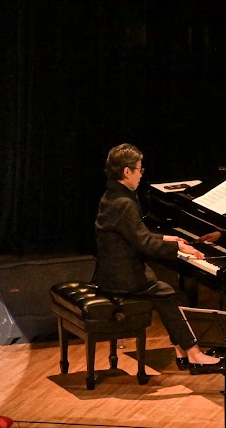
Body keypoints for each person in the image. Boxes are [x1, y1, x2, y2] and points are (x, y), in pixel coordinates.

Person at [93, 144, 218, 370]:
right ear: (127, 172)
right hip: (123, 278)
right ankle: (194, 354)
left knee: (169, 293)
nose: (141, 174)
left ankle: (182, 350)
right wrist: (179, 248)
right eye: (139, 169)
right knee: (172, 296)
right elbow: (145, 244)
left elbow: (134, 234)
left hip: (109, 273)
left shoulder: (111, 195)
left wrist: (165, 238)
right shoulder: (125, 203)